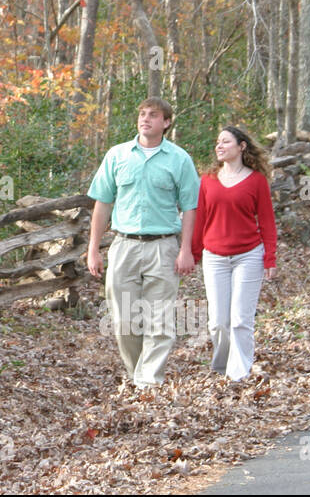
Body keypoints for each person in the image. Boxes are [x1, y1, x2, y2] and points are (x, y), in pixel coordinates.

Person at [86, 98, 200, 388]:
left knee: (159, 320)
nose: (146, 119)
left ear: (166, 122)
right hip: (124, 245)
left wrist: (186, 249)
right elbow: (102, 203)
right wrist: (93, 249)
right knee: (124, 321)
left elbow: (190, 207)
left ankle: (149, 383)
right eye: (142, 114)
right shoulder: (117, 155)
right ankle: (137, 376)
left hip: (163, 247)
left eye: (153, 115)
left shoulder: (179, 159)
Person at [191, 125, 277, 381]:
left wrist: (269, 256)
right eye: (218, 142)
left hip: (248, 256)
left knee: (240, 319)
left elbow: (267, 221)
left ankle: (238, 374)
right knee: (218, 321)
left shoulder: (257, 181)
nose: (219, 146)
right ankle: (221, 365)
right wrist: (193, 254)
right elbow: (200, 220)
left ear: (241, 147)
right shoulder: (207, 180)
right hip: (215, 257)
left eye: (226, 142)